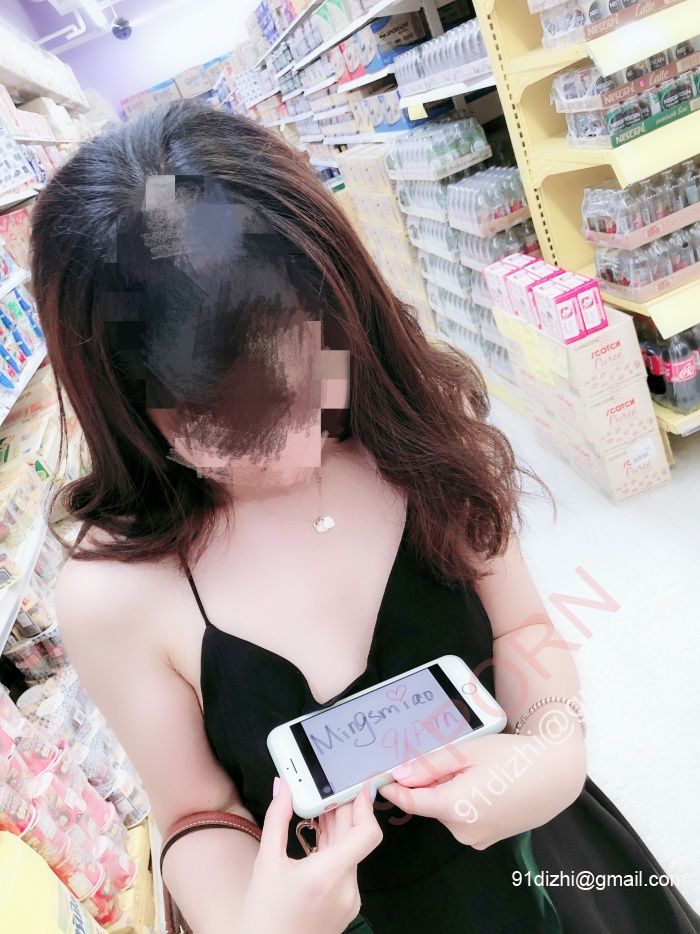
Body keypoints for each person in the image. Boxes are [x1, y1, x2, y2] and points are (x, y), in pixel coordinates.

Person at [31, 100, 698, 934]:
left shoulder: (412, 439)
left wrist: (551, 749)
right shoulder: (117, 591)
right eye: (221, 425)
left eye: (307, 376)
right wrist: (255, 922)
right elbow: (196, 811)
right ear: (126, 403)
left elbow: (523, 631)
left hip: (548, 872)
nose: (292, 444)